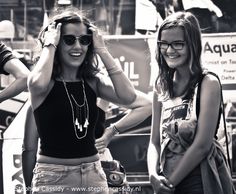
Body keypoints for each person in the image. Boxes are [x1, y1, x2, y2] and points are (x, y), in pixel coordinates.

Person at [26, 6, 146, 193]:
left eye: (84, 40)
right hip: (53, 177)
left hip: (93, 175)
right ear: (57, 42)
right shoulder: (45, 84)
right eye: (69, 40)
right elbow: (37, 84)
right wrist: (50, 44)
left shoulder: (92, 82)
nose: (77, 46)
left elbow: (128, 96)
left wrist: (103, 51)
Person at [147, 11, 235, 194]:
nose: (169, 50)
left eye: (178, 44)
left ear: (193, 45)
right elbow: (154, 141)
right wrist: (153, 176)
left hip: (200, 181)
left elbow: (202, 145)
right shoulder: (160, 86)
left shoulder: (208, 83)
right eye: (164, 44)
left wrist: (169, 184)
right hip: (164, 179)